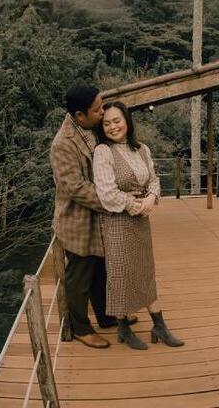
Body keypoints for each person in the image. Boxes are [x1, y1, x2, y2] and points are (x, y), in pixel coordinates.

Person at [49, 85, 137, 349]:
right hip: (77, 218)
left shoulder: (91, 126)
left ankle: (107, 317)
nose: (102, 112)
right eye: (97, 109)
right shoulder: (63, 144)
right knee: (80, 276)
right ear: (79, 115)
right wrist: (114, 199)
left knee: (101, 269)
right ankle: (80, 328)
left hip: (98, 217)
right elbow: (74, 187)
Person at [93, 101, 184, 350]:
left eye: (117, 120)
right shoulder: (103, 151)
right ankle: (123, 328)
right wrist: (136, 206)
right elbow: (106, 194)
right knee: (121, 274)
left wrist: (152, 198)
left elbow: (153, 180)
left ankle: (159, 326)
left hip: (142, 222)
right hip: (117, 222)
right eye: (106, 123)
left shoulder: (142, 149)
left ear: (127, 121)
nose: (112, 127)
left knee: (146, 272)